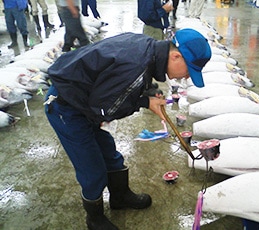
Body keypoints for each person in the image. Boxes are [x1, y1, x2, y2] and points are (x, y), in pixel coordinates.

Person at [44, 28, 212, 230]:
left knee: (109, 152)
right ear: (176, 56)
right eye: (188, 70)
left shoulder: (148, 47)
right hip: (66, 106)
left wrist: (147, 90)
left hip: (85, 98)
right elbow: (105, 110)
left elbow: (120, 78)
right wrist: (143, 102)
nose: (185, 78)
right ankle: (94, 219)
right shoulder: (136, 67)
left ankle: (120, 196)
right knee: (92, 169)